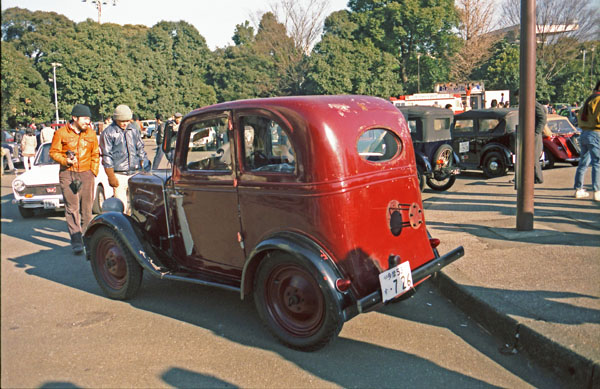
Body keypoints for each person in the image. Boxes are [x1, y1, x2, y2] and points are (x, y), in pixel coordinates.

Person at [49, 104, 99, 254]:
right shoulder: (61, 133)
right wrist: (65, 161)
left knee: (87, 210)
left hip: (87, 174)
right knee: (72, 209)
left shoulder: (91, 134)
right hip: (68, 174)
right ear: (74, 118)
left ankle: (87, 240)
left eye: (89, 119)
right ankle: (76, 241)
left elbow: (96, 154)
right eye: (84, 119)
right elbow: (53, 152)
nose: (87, 122)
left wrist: (93, 172)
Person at [99, 104, 150, 213]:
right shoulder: (108, 133)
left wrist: (144, 163)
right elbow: (107, 155)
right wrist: (111, 175)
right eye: (122, 121)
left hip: (135, 172)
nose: (125, 123)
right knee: (121, 207)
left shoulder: (133, 130)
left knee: (135, 207)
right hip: (119, 175)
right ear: (116, 119)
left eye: (127, 120)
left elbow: (140, 148)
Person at [573, 80, 600, 201]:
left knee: (583, 163)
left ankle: (579, 189)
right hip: (596, 132)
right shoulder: (598, 100)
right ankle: (597, 190)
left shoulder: (589, 99)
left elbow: (580, 116)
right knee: (597, 163)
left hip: (584, 132)